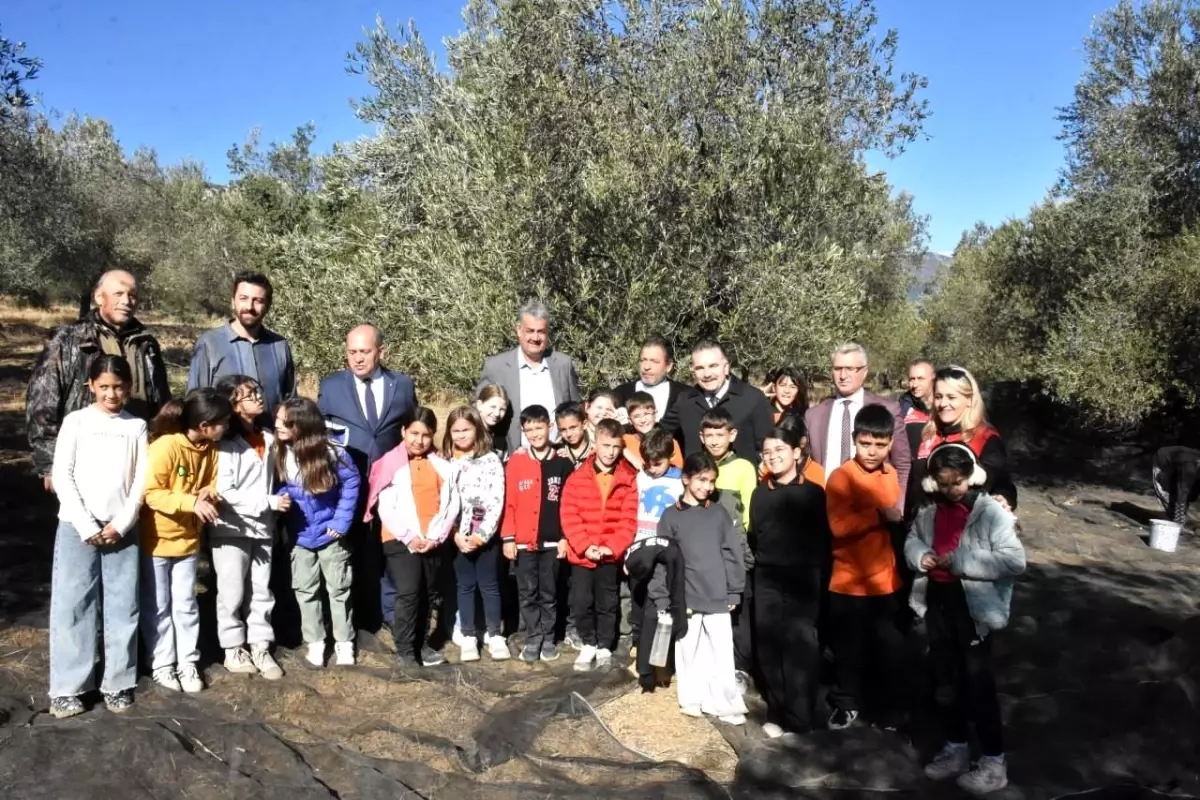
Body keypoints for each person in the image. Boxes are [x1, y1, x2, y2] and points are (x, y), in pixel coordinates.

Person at [906, 443, 1026, 795]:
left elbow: (1014, 561)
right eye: (942, 483)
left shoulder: (991, 513)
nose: (950, 490)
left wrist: (960, 561)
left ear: (971, 477)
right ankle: (956, 747)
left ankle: (993, 760)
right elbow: (913, 540)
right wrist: (921, 556)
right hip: (939, 602)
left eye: (957, 482)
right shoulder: (929, 512)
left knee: (977, 683)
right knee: (947, 679)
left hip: (972, 608)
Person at [47, 355, 148, 718]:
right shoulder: (76, 422)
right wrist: (87, 525)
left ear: (129, 388)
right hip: (77, 528)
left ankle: (117, 682)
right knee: (74, 603)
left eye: (119, 387)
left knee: (123, 604)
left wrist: (121, 523)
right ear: (91, 386)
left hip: (121, 529)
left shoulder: (135, 426)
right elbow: (63, 475)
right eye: (104, 386)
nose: (111, 393)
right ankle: (68, 687)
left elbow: (140, 481)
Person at [27, 269, 170, 493]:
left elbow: (162, 400)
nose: (126, 301)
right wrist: (49, 464)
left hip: (137, 452)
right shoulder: (68, 339)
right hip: (85, 457)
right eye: (118, 294)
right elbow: (42, 403)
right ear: (99, 297)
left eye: (132, 295)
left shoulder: (147, 343)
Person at [317, 324, 418, 637]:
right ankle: (356, 619)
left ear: (380, 352)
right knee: (351, 551)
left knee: (388, 550)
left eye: (365, 351)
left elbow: (411, 429)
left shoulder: (401, 384)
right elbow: (320, 434)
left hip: (391, 487)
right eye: (352, 352)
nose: (358, 358)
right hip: (349, 485)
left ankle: (389, 615)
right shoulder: (331, 386)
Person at [140, 388, 231, 694]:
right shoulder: (165, 447)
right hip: (157, 543)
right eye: (223, 422)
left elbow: (213, 482)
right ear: (205, 424)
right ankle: (163, 665)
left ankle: (188, 662)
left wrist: (211, 492)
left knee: (187, 605)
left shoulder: (211, 449)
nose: (227, 427)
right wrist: (190, 503)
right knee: (159, 607)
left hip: (189, 542)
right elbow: (152, 493)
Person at [824, 403, 908, 730]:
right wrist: (879, 515)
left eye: (880, 445)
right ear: (854, 439)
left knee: (888, 648)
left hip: (885, 580)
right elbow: (838, 526)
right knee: (848, 649)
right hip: (848, 581)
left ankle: (884, 708)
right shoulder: (841, 477)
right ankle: (846, 704)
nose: (871, 451)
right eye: (865, 443)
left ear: (890, 444)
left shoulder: (890, 475)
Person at [749, 425, 831, 738]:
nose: (773, 457)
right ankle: (777, 710)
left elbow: (823, 540)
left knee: (800, 647)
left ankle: (800, 719)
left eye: (780, 450)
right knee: (769, 645)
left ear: (797, 452)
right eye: (767, 452)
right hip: (767, 576)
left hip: (803, 578)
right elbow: (757, 534)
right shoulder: (760, 494)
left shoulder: (813, 493)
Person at [656, 451, 747, 725]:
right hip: (687, 596)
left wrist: (734, 589)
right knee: (688, 650)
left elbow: (731, 552)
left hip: (718, 594)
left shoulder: (719, 514)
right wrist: (662, 597)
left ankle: (724, 703)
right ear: (686, 479)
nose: (707, 487)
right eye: (701, 480)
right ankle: (691, 699)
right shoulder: (670, 516)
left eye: (711, 481)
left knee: (721, 651)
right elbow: (663, 559)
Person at [275, 397, 361, 668]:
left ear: (301, 426)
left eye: (284, 422)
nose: (276, 425)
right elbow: (284, 485)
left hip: (330, 534)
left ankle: (344, 642)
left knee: (339, 589)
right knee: (305, 589)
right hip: (300, 535)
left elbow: (352, 482)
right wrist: (281, 497)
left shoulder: (332, 451)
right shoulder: (280, 452)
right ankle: (315, 641)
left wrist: (341, 521)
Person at [210, 375, 286, 680]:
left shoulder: (267, 439)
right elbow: (224, 491)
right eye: (249, 395)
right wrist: (268, 502)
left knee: (261, 590)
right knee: (231, 592)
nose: (258, 398)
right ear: (233, 405)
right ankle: (232, 648)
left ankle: (260, 644)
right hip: (231, 528)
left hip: (263, 528)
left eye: (257, 392)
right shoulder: (224, 446)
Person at [374, 408, 460, 668]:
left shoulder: (441, 466)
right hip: (399, 540)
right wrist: (408, 537)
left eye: (425, 435)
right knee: (409, 591)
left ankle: (421, 644)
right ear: (403, 432)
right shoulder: (392, 464)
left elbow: (450, 504)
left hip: (431, 540)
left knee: (427, 593)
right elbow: (385, 507)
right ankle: (405, 650)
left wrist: (435, 537)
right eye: (413, 433)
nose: (419, 440)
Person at [562, 418, 639, 672]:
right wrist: (584, 546)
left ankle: (605, 644)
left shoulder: (627, 480)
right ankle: (589, 642)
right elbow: (569, 515)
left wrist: (612, 547)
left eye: (616, 447)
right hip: (583, 556)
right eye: (606, 445)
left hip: (608, 556)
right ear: (595, 442)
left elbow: (628, 521)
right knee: (582, 601)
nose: (611, 452)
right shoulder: (577, 478)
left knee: (607, 602)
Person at [501, 405, 574, 663]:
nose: (534, 434)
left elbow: (568, 504)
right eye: (528, 429)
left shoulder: (563, 463)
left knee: (549, 592)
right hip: (523, 543)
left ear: (549, 427)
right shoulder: (516, 462)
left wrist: (565, 537)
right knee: (527, 592)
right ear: (523, 431)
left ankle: (548, 637)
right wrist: (508, 538)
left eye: (539, 427)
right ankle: (533, 637)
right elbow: (509, 502)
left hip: (553, 542)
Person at [907, 366, 1016, 520]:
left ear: (970, 400)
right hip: (922, 529)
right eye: (938, 396)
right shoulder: (927, 433)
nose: (943, 403)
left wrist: (1003, 498)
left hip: (966, 533)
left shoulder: (985, 438)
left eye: (951, 397)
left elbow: (1003, 485)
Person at [804, 343, 910, 500]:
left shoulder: (888, 409)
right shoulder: (814, 415)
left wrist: (896, 508)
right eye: (838, 369)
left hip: (874, 508)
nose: (843, 375)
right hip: (825, 507)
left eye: (850, 369)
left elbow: (902, 463)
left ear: (864, 372)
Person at [443, 406, 507, 662]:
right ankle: (468, 634)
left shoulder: (490, 460)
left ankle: (494, 633)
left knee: (489, 585)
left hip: (485, 536)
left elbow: (496, 500)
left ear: (476, 429)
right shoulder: (446, 463)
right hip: (458, 537)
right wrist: (456, 534)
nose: (460, 435)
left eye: (466, 429)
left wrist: (481, 535)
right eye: (455, 431)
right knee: (465, 585)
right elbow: (445, 503)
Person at [187, 271, 296, 420]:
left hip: (272, 439)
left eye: (258, 300)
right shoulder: (210, 343)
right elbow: (196, 402)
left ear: (268, 305)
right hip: (224, 441)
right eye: (243, 298)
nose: (249, 306)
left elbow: (290, 400)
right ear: (233, 301)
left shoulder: (279, 346)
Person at [476, 299, 581, 453]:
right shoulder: (496, 366)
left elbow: (575, 408)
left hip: (557, 453)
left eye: (541, 332)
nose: (536, 338)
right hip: (513, 454)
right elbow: (478, 409)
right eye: (530, 331)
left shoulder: (563, 364)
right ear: (519, 330)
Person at [699, 407, 758, 678]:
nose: (714, 441)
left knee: (738, 614)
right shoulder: (698, 466)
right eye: (709, 435)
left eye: (719, 435)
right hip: (705, 554)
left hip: (735, 552)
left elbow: (748, 513)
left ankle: (740, 669)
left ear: (732, 435)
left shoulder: (743, 467)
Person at [626, 426, 684, 678]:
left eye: (657, 464)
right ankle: (639, 647)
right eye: (647, 463)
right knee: (638, 599)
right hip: (640, 548)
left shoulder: (680, 481)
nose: (652, 468)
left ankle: (665, 658)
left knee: (662, 604)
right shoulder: (641, 477)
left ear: (671, 456)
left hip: (666, 553)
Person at [672, 341, 773, 464]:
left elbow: (768, 445)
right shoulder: (685, 401)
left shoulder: (753, 398)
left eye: (713, 366)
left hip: (742, 481)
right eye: (700, 368)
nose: (707, 374)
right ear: (693, 372)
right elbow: (659, 435)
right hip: (697, 481)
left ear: (726, 367)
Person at [613, 335, 687, 425]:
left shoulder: (684, 396)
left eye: (654, 361)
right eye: (643, 360)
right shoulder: (620, 394)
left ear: (669, 366)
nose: (646, 367)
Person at [622, 392, 684, 470]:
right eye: (637, 416)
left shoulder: (670, 442)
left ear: (655, 414)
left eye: (647, 414)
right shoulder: (624, 441)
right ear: (630, 420)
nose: (643, 420)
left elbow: (677, 472)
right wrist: (625, 451)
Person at [1152, 446, 1200, 526]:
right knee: (1168, 495)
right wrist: (1179, 518)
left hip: (1179, 463)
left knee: (1190, 492)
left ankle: (1178, 519)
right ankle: (1173, 523)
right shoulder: (1188, 467)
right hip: (1163, 462)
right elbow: (1182, 490)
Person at [899, 359, 935, 457]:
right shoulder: (902, 407)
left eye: (920, 378)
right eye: (912, 379)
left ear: (933, 378)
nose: (914, 385)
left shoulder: (945, 406)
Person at [475, 383, 511, 456]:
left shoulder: (499, 436)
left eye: (502, 409)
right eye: (493, 407)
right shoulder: (470, 434)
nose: (497, 413)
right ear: (479, 405)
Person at [554, 401, 593, 467]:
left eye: (573, 428)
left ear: (585, 424)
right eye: (563, 430)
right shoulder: (556, 452)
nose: (568, 434)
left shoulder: (597, 449)